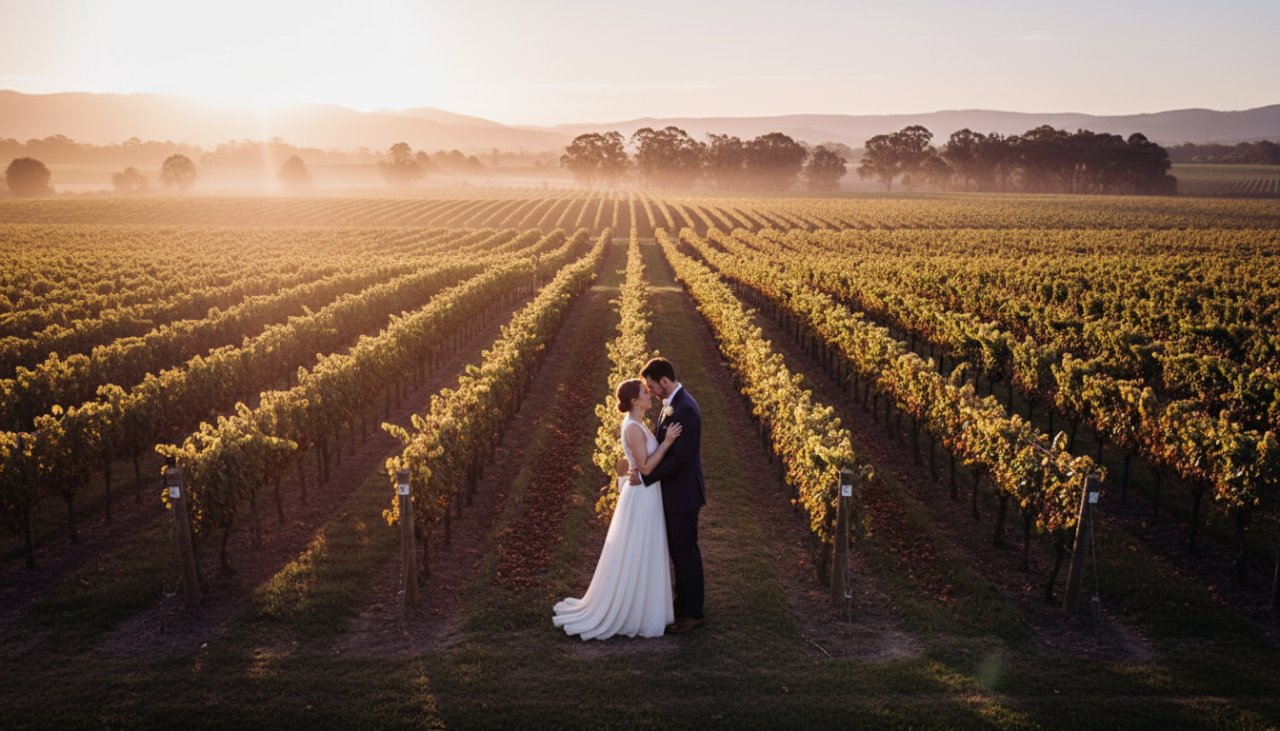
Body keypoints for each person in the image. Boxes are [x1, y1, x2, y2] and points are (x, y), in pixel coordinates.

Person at [552, 379, 680, 639]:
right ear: (634, 400)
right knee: (639, 549)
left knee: (645, 548)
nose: (650, 395)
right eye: (645, 392)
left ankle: (645, 606)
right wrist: (666, 443)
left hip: (647, 494)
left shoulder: (638, 424)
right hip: (642, 495)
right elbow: (644, 468)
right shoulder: (632, 427)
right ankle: (635, 610)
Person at [630, 357, 706, 634]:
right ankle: (682, 603)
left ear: (664, 381)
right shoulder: (673, 403)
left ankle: (693, 613)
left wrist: (646, 475)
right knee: (679, 552)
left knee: (686, 554)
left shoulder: (684, 408)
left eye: (651, 386)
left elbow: (681, 459)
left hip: (683, 494)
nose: (649, 391)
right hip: (675, 492)